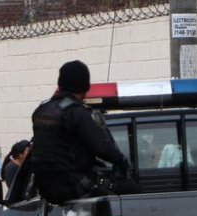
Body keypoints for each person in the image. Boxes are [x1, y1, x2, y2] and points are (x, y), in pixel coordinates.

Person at [29, 60, 132, 204]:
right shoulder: (77, 113)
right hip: (72, 185)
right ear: (84, 87)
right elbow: (103, 148)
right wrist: (122, 162)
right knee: (131, 190)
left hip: (45, 188)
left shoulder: (41, 110)